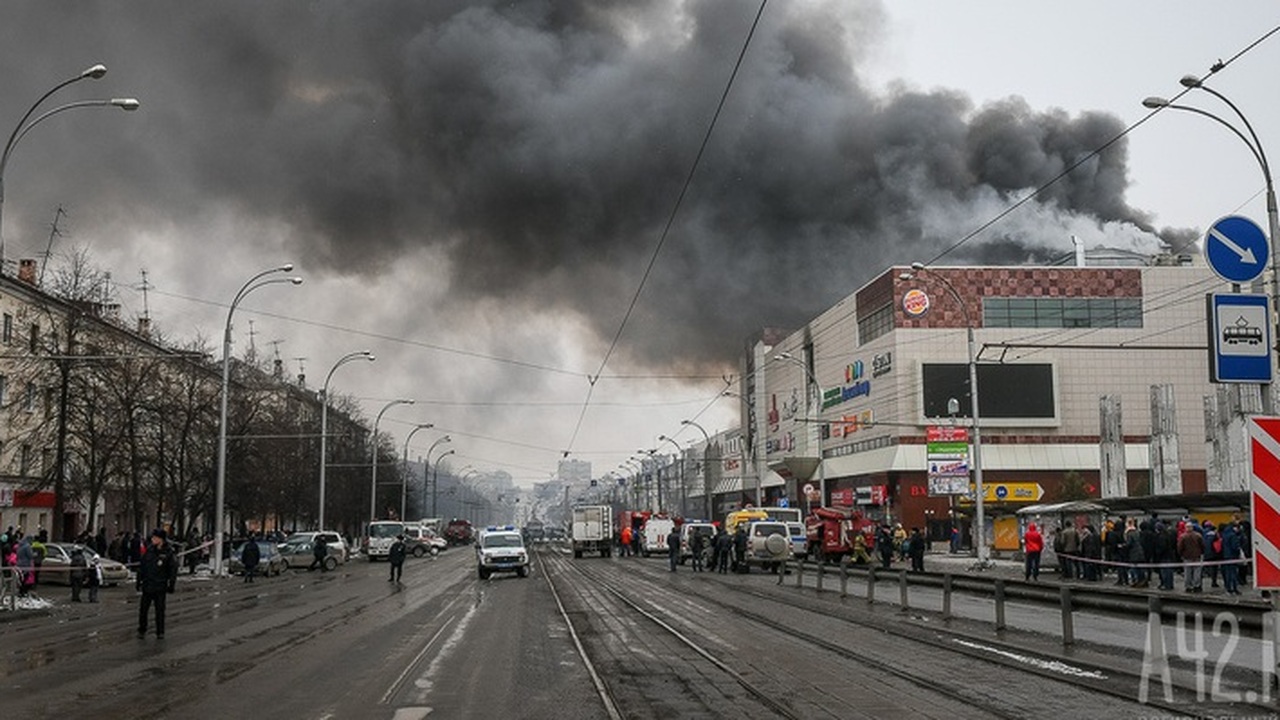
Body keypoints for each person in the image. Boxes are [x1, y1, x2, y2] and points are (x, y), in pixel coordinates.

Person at [137, 529, 177, 639]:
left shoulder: (168, 552)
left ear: (161, 539)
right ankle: (142, 629)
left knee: (159, 610)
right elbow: (143, 567)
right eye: (152, 538)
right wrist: (139, 581)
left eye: (155, 538)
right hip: (148, 584)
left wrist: (171, 584)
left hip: (160, 585)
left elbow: (172, 570)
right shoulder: (149, 551)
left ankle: (160, 631)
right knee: (143, 610)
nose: (153, 539)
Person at [1178, 522, 1204, 593]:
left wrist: (1181, 554)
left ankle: (1188, 586)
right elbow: (1202, 545)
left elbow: (1180, 547)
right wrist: (1201, 552)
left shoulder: (1183, 537)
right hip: (1197, 556)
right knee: (1197, 572)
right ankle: (1197, 586)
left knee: (1187, 572)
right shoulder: (1198, 535)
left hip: (1187, 557)